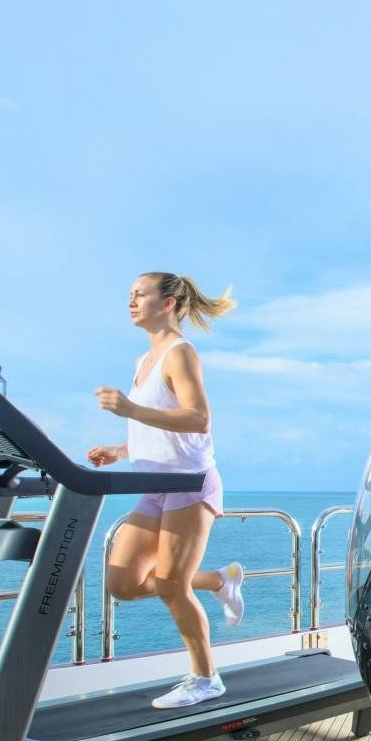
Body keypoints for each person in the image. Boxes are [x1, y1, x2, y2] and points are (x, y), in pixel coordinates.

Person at [87, 272, 246, 708]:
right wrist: (122, 449)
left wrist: (130, 408)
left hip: (189, 485)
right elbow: (159, 427)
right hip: (154, 483)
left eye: (140, 294)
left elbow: (198, 419)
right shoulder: (144, 361)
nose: (131, 302)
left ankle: (205, 677)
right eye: (130, 294)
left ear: (168, 303)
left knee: (172, 585)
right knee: (123, 581)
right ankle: (219, 580)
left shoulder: (181, 354)